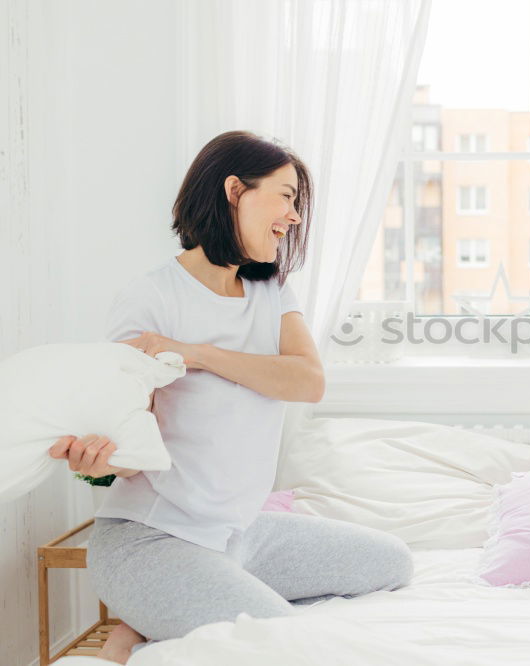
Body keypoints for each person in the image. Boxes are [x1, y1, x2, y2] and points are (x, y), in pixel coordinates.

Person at [48, 131, 413, 663]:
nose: (293, 217)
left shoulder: (270, 293)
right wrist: (98, 461)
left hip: (239, 536)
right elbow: (128, 444)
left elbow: (307, 381)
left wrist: (197, 354)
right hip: (150, 539)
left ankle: (157, 618)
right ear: (236, 190)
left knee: (392, 562)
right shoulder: (150, 299)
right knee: (284, 645)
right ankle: (156, 610)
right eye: (287, 196)